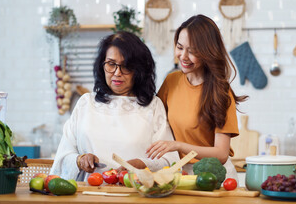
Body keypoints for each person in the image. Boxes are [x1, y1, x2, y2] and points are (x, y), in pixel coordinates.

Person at [50, 31, 179, 181]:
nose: (117, 73)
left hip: (136, 195)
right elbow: (63, 156)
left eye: (126, 66)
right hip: (89, 195)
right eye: (111, 64)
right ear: (102, 65)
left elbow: (170, 161)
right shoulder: (86, 103)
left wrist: (143, 164)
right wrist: (80, 160)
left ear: (139, 70)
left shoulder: (153, 106)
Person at [146, 15, 248, 181]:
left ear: (209, 52)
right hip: (179, 172)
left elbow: (221, 154)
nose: (183, 56)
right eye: (180, 47)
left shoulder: (221, 91)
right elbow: (154, 121)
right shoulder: (171, 81)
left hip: (213, 176)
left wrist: (178, 146)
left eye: (192, 51)